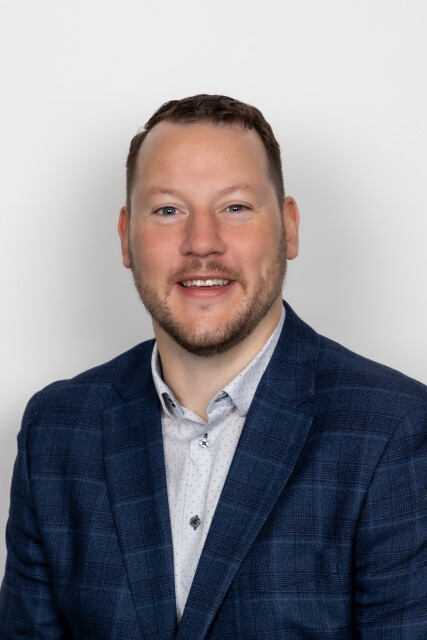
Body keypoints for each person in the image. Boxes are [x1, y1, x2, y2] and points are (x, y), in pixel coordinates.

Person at [0, 94, 425, 640]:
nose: (202, 243)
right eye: (168, 210)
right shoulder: (55, 430)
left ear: (289, 228)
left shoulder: (393, 431)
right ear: (126, 238)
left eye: (235, 207)